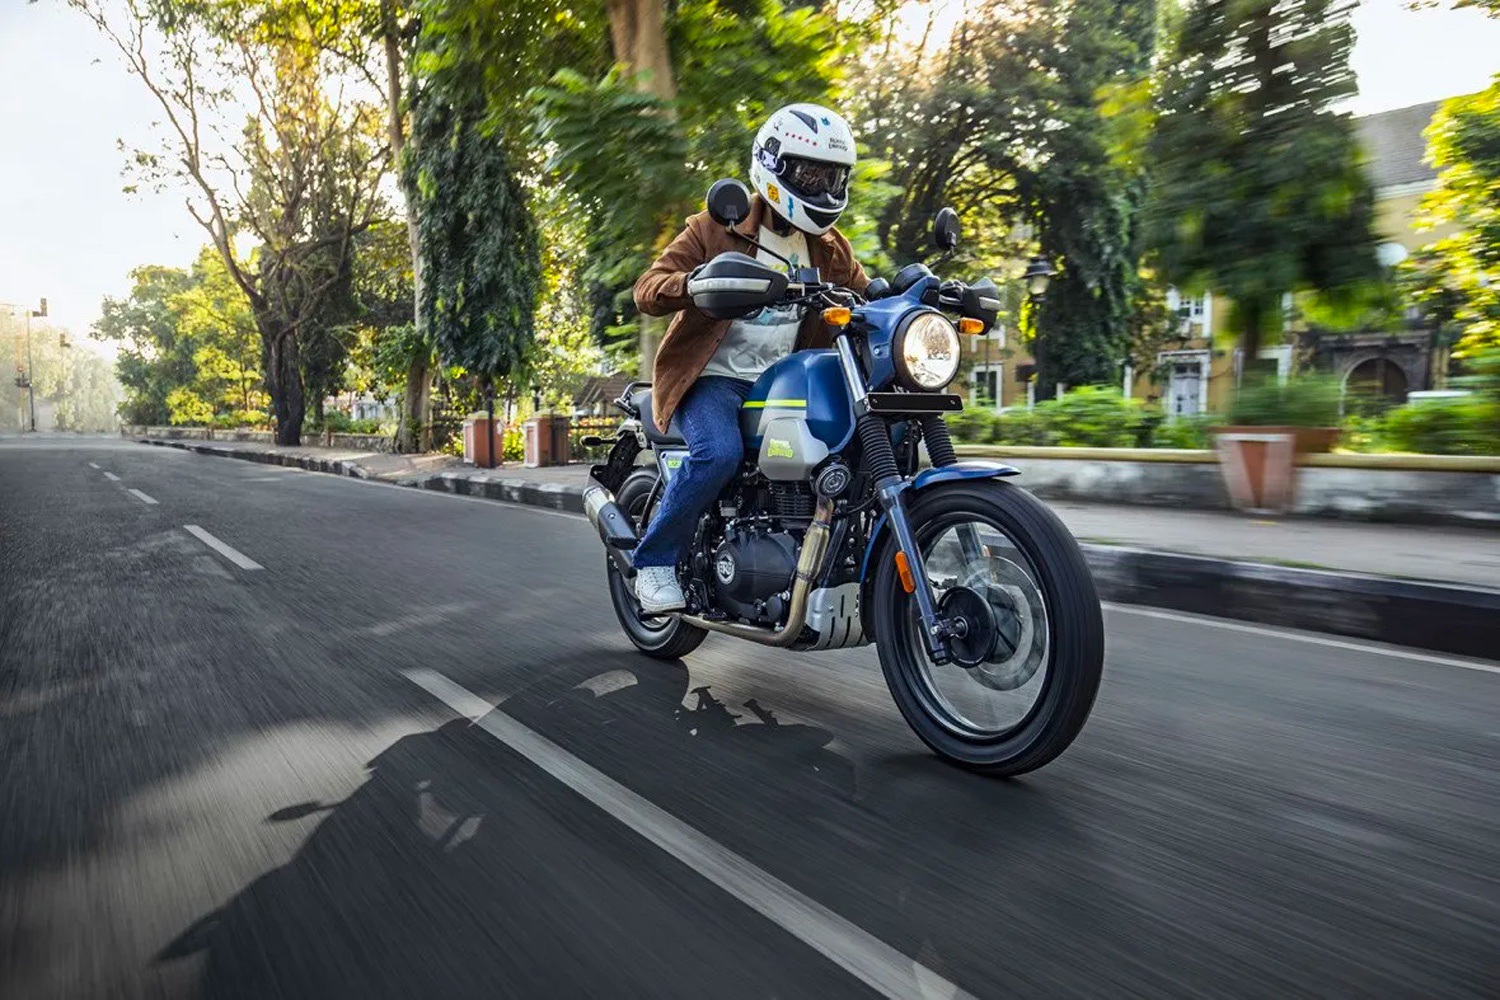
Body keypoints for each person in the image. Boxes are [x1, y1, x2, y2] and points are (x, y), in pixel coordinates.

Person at [630, 103, 871, 613]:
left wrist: (918, 293)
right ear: (775, 166)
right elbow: (647, 290)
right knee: (717, 453)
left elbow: (868, 296)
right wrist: (695, 282)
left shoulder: (828, 247)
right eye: (810, 173)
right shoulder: (714, 227)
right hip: (714, 378)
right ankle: (653, 561)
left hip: (788, 382)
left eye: (834, 176)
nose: (824, 187)